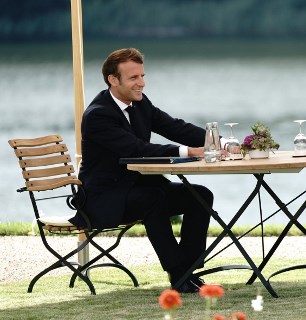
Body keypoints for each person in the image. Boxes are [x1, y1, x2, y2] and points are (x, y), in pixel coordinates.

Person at [69, 48, 215, 293]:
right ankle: (179, 275)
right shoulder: (98, 115)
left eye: (142, 76)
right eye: (134, 78)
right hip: (103, 199)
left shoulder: (139, 103)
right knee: (153, 199)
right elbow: (135, 149)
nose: (142, 83)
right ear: (113, 80)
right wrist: (189, 152)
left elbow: (174, 127)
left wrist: (216, 140)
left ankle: (188, 270)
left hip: (139, 188)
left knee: (200, 195)